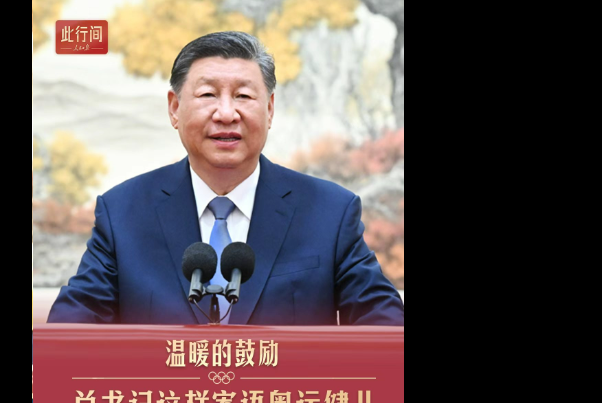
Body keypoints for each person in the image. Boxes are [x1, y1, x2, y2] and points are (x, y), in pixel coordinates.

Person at [48, 31, 404, 326]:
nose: (226, 113)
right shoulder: (123, 212)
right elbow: (72, 327)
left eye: (243, 96)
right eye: (207, 95)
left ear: (269, 109)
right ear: (174, 108)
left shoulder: (329, 212)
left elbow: (385, 323)